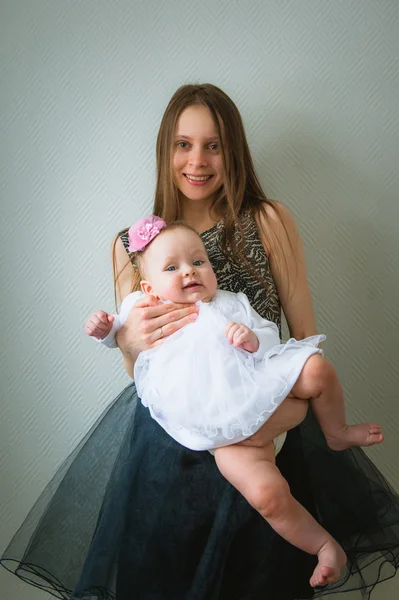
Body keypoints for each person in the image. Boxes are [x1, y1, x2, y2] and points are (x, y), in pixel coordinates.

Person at [1, 83, 399, 600]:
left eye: (213, 145)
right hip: (172, 442)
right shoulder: (131, 246)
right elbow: (136, 370)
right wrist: (127, 341)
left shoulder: (267, 221)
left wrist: (296, 414)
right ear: (166, 150)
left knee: (262, 573)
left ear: (233, 150)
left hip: (265, 425)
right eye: (183, 144)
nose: (198, 160)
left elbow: (302, 335)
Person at [85, 215, 386, 587]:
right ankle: (325, 546)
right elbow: (118, 332)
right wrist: (105, 328)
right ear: (149, 286)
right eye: (172, 267)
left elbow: (271, 337)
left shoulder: (232, 302)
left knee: (315, 368)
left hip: (257, 391)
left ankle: (336, 430)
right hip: (216, 427)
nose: (189, 272)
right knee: (266, 494)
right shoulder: (142, 306)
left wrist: (252, 338)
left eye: (198, 262)